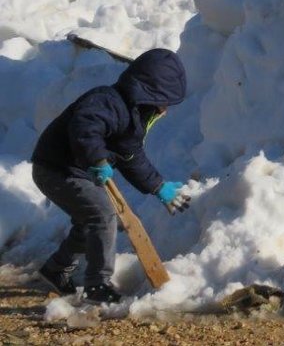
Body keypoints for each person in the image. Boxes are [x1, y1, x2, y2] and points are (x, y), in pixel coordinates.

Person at [30, 48, 190, 304]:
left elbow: (131, 157)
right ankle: (97, 285)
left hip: (75, 170)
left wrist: (158, 186)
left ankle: (57, 269)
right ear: (148, 93)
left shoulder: (134, 118)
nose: (165, 110)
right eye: (164, 101)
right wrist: (97, 159)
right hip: (56, 168)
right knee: (103, 215)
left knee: (89, 221)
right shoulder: (107, 101)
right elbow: (84, 128)